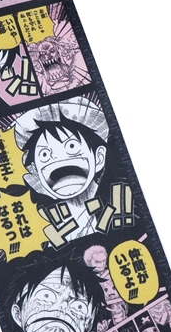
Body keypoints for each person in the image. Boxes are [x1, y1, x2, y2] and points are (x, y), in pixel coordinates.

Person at [14, 97, 110, 242]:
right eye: (45, 155)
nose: (58, 159)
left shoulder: (114, 201)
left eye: (72, 146)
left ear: (99, 158)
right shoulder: (43, 222)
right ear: (35, 173)